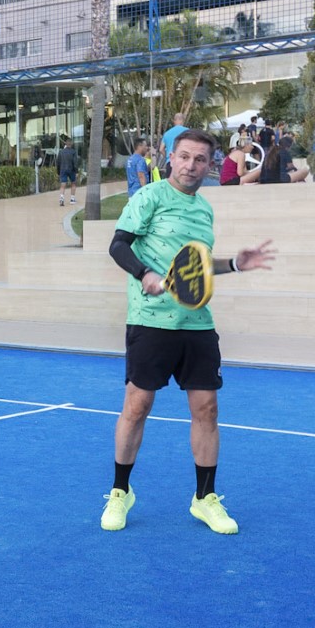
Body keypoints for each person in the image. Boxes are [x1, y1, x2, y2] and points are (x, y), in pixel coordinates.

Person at [101, 129, 277, 535]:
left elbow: (194, 269)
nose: (191, 165)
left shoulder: (204, 210)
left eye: (200, 159)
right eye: (184, 157)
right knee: (137, 406)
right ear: (171, 158)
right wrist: (144, 273)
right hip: (150, 321)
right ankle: (120, 491)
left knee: (207, 409)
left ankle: (204, 498)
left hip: (197, 323)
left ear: (210, 165)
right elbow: (118, 245)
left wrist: (234, 264)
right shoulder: (149, 197)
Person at [57, 138, 79, 206]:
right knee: (73, 183)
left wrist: (58, 172)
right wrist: (76, 171)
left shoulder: (61, 152)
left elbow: (58, 163)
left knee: (63, 184)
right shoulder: (73, 152)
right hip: (71, 170)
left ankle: (61, 198)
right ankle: (72, 199)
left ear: (66, 144)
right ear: (71, 144)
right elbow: (75, 163)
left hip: (63, 170)